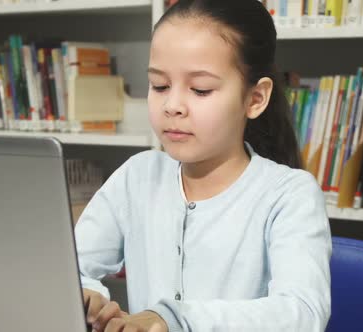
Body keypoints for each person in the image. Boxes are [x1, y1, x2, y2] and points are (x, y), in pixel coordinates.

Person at [74, 0, 332, 331]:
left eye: (200, 89)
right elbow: (70, 265)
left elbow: (301, 312)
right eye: (159, 85)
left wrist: (171, 320)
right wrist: (87, 296)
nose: (172, 106)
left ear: (255, 99)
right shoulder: (137, 176)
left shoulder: (290, 195)